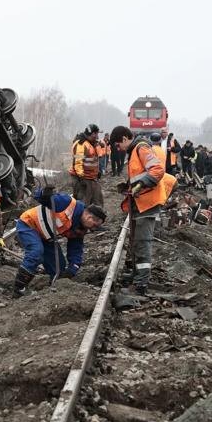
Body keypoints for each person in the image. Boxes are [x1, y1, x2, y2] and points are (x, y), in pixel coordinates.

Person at [110, 125, 175, 295]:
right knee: (137, 241)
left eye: (118, 145)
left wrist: (141, 184)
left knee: (143, 241)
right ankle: (137, 275)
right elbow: (141, 174)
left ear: (125, 139)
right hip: (141, 202)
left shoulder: (141, 148)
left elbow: (157, 170)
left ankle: (141, 284)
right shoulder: (134, 150)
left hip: (148, 202)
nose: (118, 149)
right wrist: (130, 185)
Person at [13, 187, 106, 297]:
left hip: (46, 238)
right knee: (36, 252)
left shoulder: (80, 229)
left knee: (59, 267)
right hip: (29, 225)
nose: (93, 229)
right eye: (94, 225)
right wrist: (44, 194)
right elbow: (39, 196)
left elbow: (75, 249)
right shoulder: (67, 203)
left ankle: (51, 291)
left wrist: (72, 269)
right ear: (89, 216)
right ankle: (19, 288)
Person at [68, 124, 103, 206]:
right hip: (83, 178)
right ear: (93, 134)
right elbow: (78, 162)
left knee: (97, 200)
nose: (97, 136)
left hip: (91, 177)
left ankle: (97, 216)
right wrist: (81, 178)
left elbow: (93, 159)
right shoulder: (81, 144)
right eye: (97, 133)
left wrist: (97, 172)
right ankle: (82, 218)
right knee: (83, 203)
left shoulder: (91, 143)